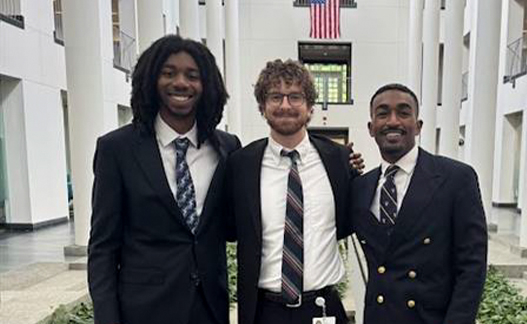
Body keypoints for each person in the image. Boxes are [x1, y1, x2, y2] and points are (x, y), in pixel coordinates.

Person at [87, 35, 241, 324]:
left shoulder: (227, 148)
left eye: (192, 76)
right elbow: (103, 247)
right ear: (150, 80)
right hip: (143, 310)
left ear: (206, 85)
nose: (181, 83)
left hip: (209, 309)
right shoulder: (117, 149)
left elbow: (235, 224)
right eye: (168, 73)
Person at [226, 59, 356, 324]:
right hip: (265, 312)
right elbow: (229, 227)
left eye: (295, 96)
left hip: (323, 308)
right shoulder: (240, 164)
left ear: (309, 107)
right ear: (262, 107)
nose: (285, 105)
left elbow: (347, 222)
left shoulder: (339, 160)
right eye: (275, 97)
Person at [351, 83, 488, 324]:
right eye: (383, 114)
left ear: (418, 126)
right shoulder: (361, 187)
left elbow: (472, 266)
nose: (393, 121)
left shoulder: (456, 178)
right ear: (372, 128)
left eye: (404, 113)